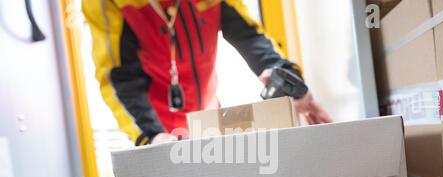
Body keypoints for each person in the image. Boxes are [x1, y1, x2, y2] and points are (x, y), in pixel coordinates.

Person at [82, 0, 332, 146]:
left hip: (206, 113)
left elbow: (247, 33)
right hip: (154, 123)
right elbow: (119, 76)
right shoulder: (104, 3)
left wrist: (284, 75)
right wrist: (150, 136)